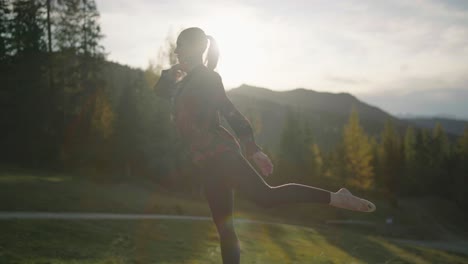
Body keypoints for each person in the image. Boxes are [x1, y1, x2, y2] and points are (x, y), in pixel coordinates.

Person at [154, 27, 376, 264]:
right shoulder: (185, 83)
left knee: (266, 197)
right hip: (206, 163)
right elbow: (161, 93)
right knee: (225, 228)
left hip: (221, 156)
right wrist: (170, 73)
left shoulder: (208, 78)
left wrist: (253, 150)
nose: (176, 50)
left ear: (194, 47)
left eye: (181, 44)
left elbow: (232, 113)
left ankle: (337, 197)